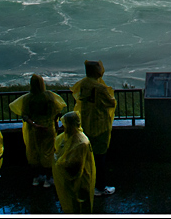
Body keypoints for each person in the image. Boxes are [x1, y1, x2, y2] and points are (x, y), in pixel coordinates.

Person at [9, 74, 67, 188]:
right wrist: (56, 126)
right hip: (48, 128)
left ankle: (36, 178)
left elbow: (25, 116)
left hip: (33, 130)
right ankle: (48, 179)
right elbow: (55, 113)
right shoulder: (49, 97)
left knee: (34, 152)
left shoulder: (27, 98)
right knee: (48, 152)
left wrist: (35, 125)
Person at [72, 60, 117, 196]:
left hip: (86, 123)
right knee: (100, 157)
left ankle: (88, 183)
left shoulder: (83, 84)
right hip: (100, 125)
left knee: (88, 156)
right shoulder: (100, 88)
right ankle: (100, 187)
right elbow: (111, 102)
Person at [53, 111, 96, 213]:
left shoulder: (81, 143)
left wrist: (60, 164)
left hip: (80, 182)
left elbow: (75, 166)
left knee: (81, 207)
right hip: (72, 181)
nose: (63, 127)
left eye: (65, 125)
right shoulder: (66, 137)